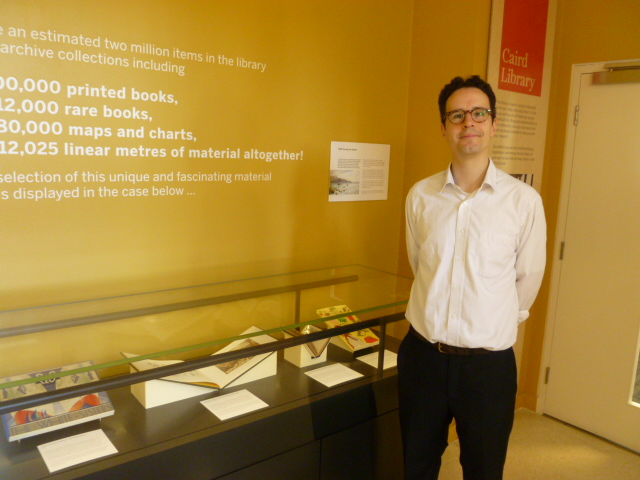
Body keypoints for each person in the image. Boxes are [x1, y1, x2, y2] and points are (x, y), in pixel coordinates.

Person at [398, 75, 546, 480]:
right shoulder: (420, 196)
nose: (469, 123)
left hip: (488, 368)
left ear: (494, 124)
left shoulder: (523, 202)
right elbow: (421, 265)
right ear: (444, 127)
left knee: (483, 469)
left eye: (479, 113)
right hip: (423, 357)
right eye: (457, 115)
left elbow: (527, 278)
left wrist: (491, 323)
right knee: (417, 463)